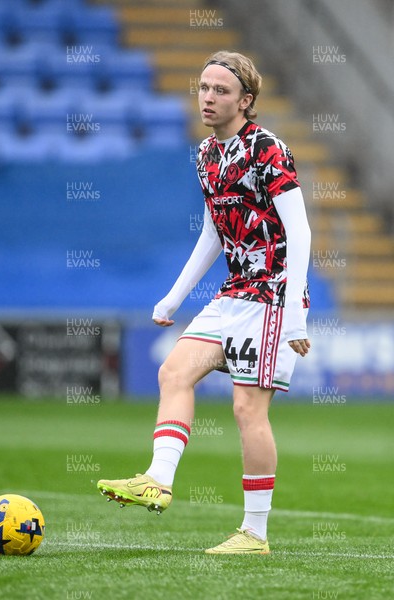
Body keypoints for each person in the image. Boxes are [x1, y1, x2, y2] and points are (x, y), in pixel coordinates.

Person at [97, 50, 311, 555]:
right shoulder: (206, 155)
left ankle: (254, 534)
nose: (209, 98)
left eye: (221, 90)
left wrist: (298, 311)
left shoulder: (267, 149)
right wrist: (174, 295)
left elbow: (299, 231)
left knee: (246, 410)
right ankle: (158, 479)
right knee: (174, 372)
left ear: (246, 100)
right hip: (235, 293)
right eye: (204, 88)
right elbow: (215, 230)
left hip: (274, 295)